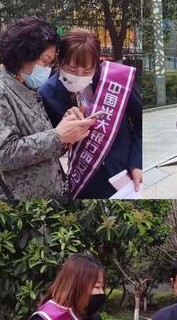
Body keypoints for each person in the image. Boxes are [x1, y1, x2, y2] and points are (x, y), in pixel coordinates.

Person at [0, 17, 94, 199]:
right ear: (23, 54)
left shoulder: (27, 87)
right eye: (45, 60)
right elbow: (2, 154)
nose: (47, 69)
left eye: (50, 63)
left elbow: (48, 146)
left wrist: (68, 129)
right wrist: (58, 136)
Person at [39, 28, 142, 199]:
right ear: (60, 60)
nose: (79, 75)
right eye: (72, 68)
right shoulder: (47, 94)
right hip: (84, 179)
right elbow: (49, 144)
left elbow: (140, 122)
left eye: (87, 70)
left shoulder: (118, 80)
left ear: (97, 63)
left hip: (125, 173)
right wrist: (64, 135)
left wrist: (137, 163)